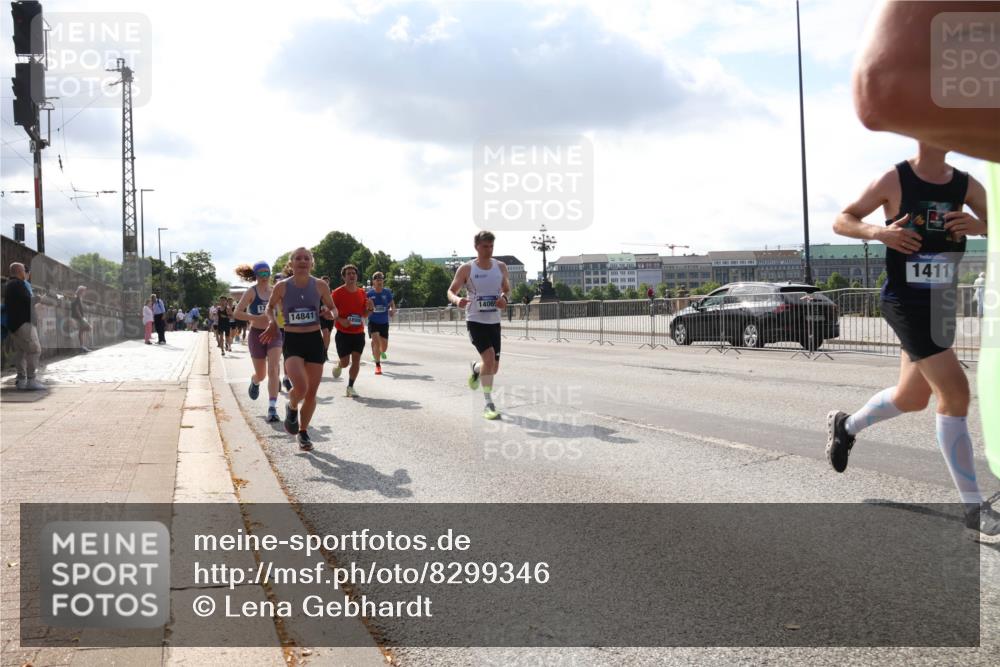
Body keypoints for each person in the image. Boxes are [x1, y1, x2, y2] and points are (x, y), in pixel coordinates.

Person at [826, 141, 998, 543]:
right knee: (955, 392)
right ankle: (972, 508)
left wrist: (979, 225)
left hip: (940, 304)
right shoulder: (895, 178)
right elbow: (842, 219)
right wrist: (877, 231)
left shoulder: (967, 186)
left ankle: (846, 426)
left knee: (912, 397)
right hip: (904, 301)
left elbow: (996, 220)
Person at [260, 248, 335, 450]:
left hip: (314, 339)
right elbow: (269, 308)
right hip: (293, 339)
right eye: (298, 258)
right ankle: (292, 406)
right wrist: (272, 322)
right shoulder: (282, 286)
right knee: (300, 387)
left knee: (311, 393)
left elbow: (333, 307)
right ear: (291, 263)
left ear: (312, 262)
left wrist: (331, 313)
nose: (302, 261)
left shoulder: (320, 285)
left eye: (306, 258)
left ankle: (303, 432)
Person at [447, 231, 511, 420]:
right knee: (489, 357)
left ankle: (476, 369)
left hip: (494, 322)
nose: (489, 250)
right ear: (476, 247)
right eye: (485, 246)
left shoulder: (500, 267)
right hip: (475, 321)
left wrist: (504, 299)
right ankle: (488, 403)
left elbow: (507, 289)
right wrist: (457, 299)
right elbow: (451, 290)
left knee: (493, 367)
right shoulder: (467, 269)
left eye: (491, 246)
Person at [234, 262, 283, 422]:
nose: (264, 276)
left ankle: (272, 407)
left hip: (274, 334)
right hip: (256, 335)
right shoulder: (251, 292)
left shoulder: (276, 291)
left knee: (274, 369)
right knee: (262, 374)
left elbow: (283, 311)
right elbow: (237, 313)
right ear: (255, 275)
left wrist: (283, 322)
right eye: (261, 273)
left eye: (267, 273)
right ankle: (255, 381)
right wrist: (255, 318)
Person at [331, 264, 373, 396]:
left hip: (358, 333)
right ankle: (339, 364)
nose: (351, 275)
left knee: (356, 360)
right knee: (345, 363)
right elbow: (330, 312)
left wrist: (371, 308)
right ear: (344, 277)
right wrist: (340, 320)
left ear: (356, 276)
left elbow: (365, 314)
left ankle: (350, 386)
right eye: (348, 273)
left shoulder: (362, 293)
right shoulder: (337, 293)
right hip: (343, 333)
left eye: (353, 273)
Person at [5, 263, 45, 390]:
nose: (26, 273)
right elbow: (27, 301)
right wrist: (38, 298)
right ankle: (31, 380)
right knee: (34, 350)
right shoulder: (18, 284)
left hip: (14, 324)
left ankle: (21, 380)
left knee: (21, 353)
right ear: (18, 271)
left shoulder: (9, 285)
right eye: (24, 271)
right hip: (24, 324)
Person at [366, 272, 395, 375]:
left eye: (381, 280)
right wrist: (369, 307)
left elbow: (391, 304)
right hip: (373, 321)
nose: (379, 281)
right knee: (377, 342)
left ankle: (379, 351)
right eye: (377, 280)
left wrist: (392, 310)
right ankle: (378, 366)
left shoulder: (387, 292)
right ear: (373, 281)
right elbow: (365, 307)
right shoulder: (369, 294)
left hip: (384, 322)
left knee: (384, 347)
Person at [70, 285, 92, 352]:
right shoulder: (77, 298)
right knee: (89, 327)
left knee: (82, 331)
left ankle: (82, 346)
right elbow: (76, 309)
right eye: (84, 291)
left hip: (80, 317)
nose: (84, 293)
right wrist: (81, 318)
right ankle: (82, 346)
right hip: (79, 317)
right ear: (81, 291)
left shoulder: (79, 298)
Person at [319, 276, 335, 361]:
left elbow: (335, 307)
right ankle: (323, 353)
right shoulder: (317, 293)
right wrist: (322, 314)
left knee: (328, 335)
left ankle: (325, 351)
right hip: (321, 317)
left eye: (327, 282)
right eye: (323, 282)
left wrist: (333, 315)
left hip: (330, 317)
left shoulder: (332, 293)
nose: (325, 283)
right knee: (325, 333)